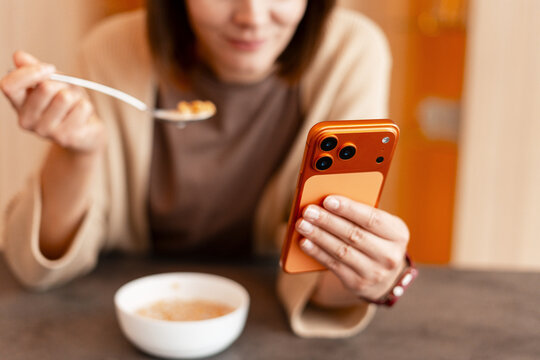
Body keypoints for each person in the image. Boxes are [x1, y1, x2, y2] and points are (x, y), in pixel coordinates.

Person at [0, 0, 411, 338]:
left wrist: (371, 279)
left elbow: (320, 272)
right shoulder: (109, 50)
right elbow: (36, 267)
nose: (251, 16)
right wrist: (78, 153)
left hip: (263, 327)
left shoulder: (352, 52)